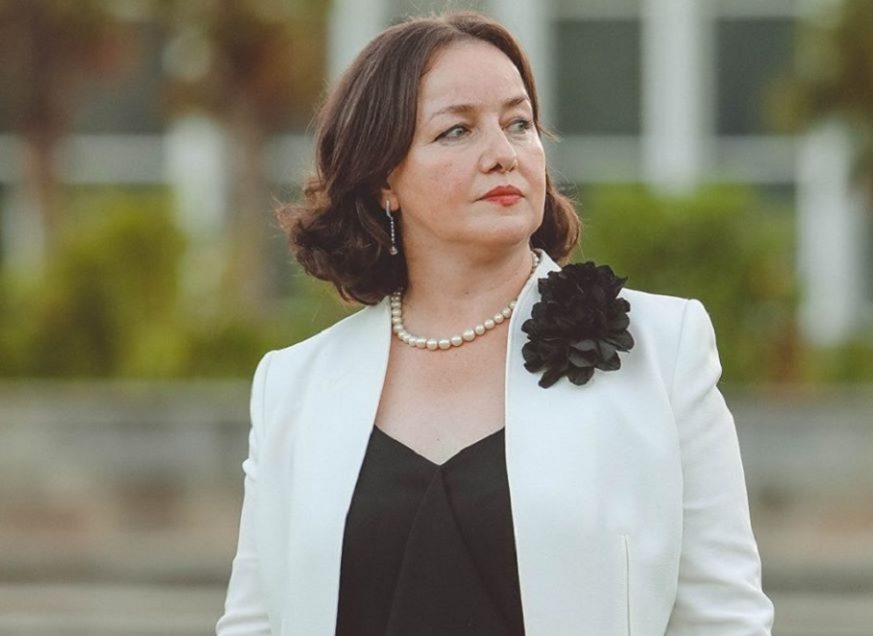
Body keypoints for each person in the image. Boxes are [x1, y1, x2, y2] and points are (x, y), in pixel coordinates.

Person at [216, 11, 774, 636]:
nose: (504, 155)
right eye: (457, 131)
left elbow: (725, 616)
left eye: (519, 124)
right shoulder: (293, 385)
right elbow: (254, 622)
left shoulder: (663, 348)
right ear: (383, 181)